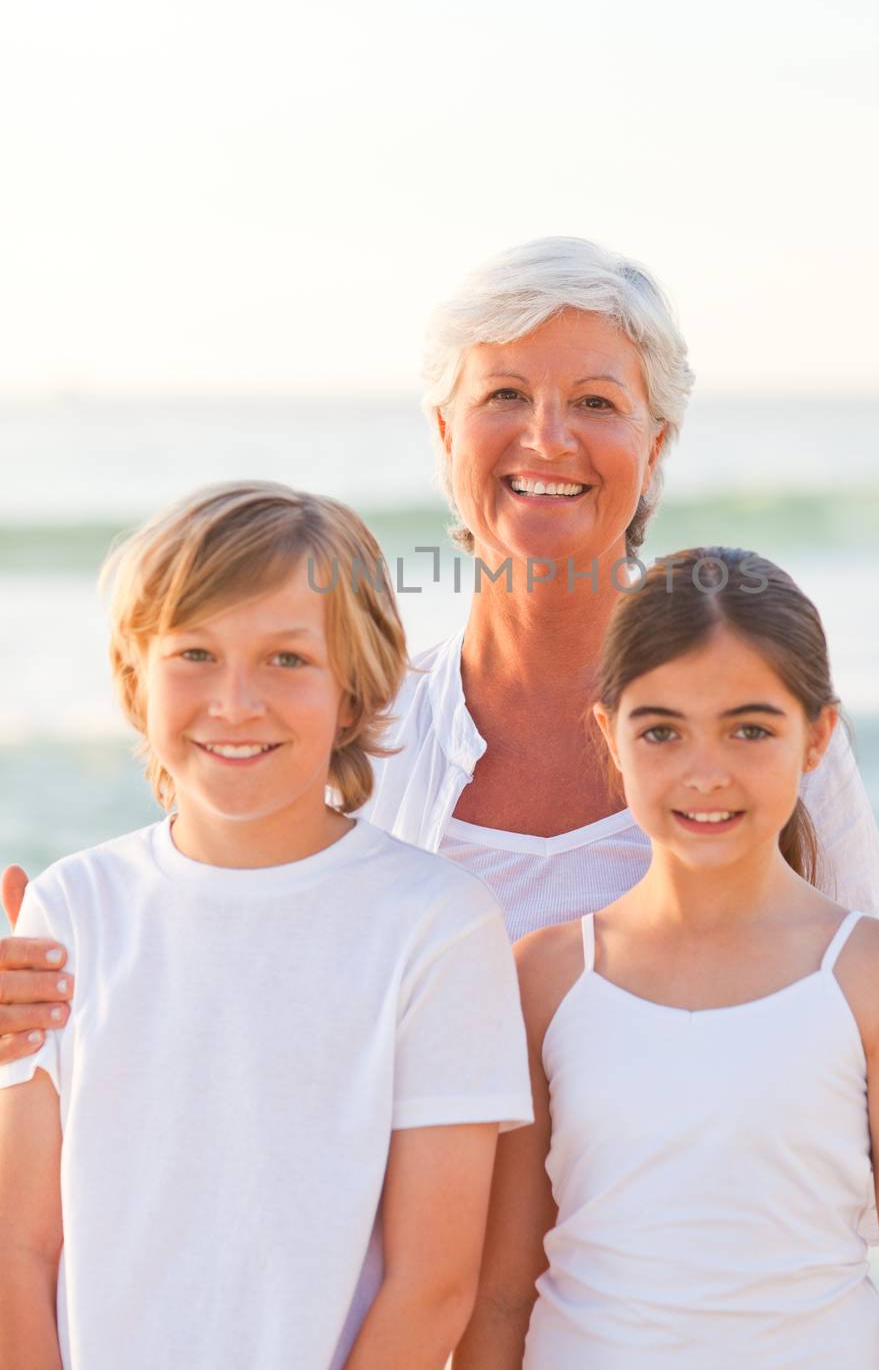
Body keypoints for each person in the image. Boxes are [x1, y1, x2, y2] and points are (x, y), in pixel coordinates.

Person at [0, 238, 879, 1134]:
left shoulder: (757, 743)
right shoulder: (338, 727)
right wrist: (42, 1007)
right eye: (504, 396)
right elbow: (206, 1002)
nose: (547, 439)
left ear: (654, 448)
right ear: (444, 437)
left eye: (597, 403)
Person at [0, 482, 532, 1370]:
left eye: (287, 660)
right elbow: (19, 1247)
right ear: (137, 678)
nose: (235, 701)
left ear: (356, 694)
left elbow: (432, 1282)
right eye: (196, 654)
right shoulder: (74, 910)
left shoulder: (434, 928)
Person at [455, 548, 879, 1369]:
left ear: (816, 738)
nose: (705, 772)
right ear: (608, 734)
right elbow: (503, 1293)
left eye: (749, 729)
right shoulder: (544, 979)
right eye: (661, 730)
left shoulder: (876, 978)